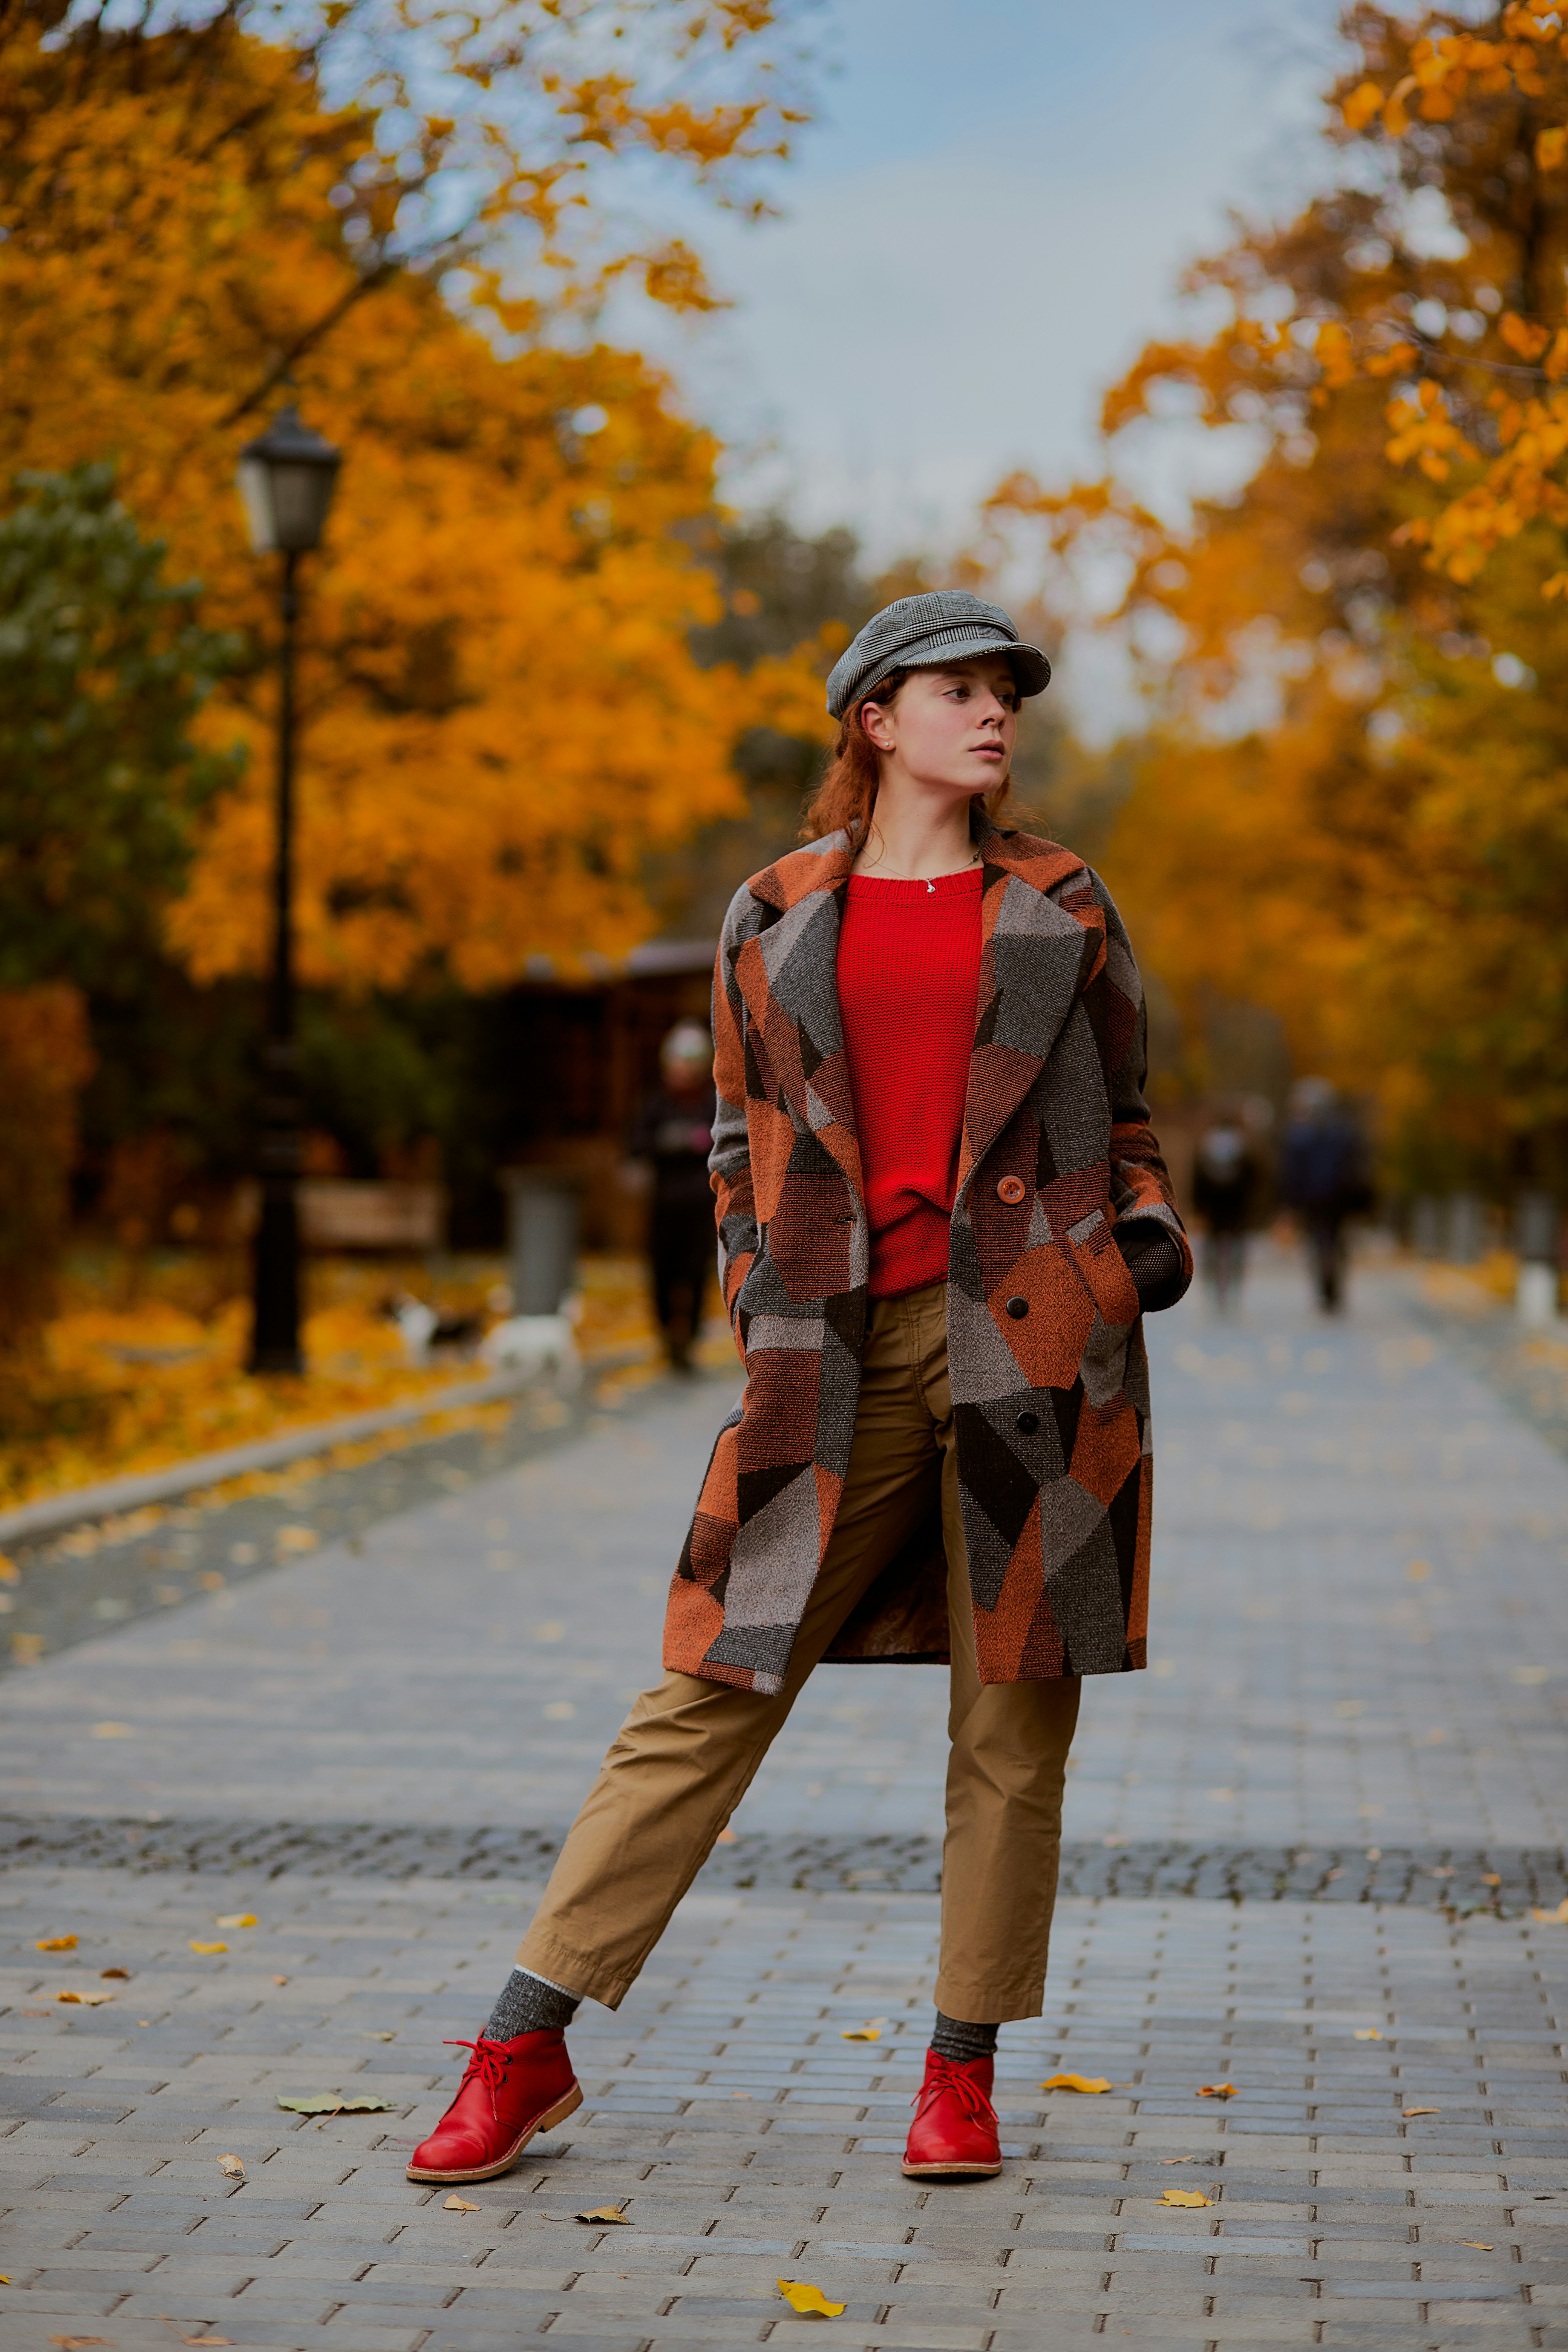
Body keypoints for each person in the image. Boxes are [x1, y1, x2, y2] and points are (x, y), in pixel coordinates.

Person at [406, 589, 1192, 2191]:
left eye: (1006, 696)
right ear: (875, 722)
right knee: (704, 1686)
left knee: (1011, 1713)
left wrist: (1139, 1253)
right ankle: (522, 2040)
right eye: (957, 692)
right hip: (825, 1355)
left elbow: (1127, 1120)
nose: (993, 717)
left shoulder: (1063, 902)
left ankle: (958, 2075)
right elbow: (730, 1137)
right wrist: (756, 1286)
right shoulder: (769, 914)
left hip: (1038, 1340)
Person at [632, 1020, 718, 1372]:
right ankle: (667, 1335)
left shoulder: (712, 1103)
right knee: (662, 1274)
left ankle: (690, 1339)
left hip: (701, 1207)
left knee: (696, 1273)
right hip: (664, 1206)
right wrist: (671, 1142)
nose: (681, 1074)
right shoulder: (656, 1104)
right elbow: (637, 1146)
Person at [1279, 1076, 1370, 1313]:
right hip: (1338, 1196)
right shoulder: (1344, 1130)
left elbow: (1292, 1171)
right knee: (1336, 1240)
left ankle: (1326, 1284)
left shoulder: (1299, 1133)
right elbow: (1356, 1165)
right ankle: (1333, 1284)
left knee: (1319, 1241)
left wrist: (1291, 1201)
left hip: (1314, 1198)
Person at [1191, 1115, 1259, 1315]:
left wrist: (1198, 1206)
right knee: (1237, 1248)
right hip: (1237, 1207)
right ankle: (1234, 1288)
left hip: (1214, 1207)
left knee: (1212, 1248)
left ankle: (1213, 1290)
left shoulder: (1207, 1145)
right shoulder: (1243, 1145)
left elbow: (1198, 1179)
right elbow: (1254, 1177)